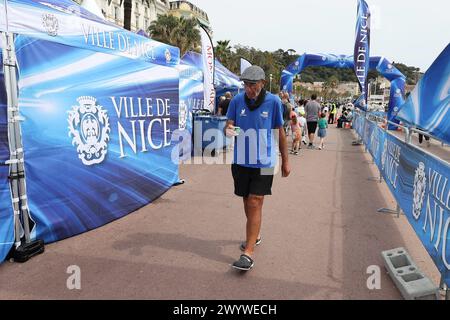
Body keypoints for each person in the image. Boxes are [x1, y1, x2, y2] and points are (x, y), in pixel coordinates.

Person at [224, 65, 290, 271]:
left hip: (265, 162)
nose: (249, 89)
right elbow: (229, 125)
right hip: (241, 161)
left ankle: (248, 253)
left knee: (255, 201)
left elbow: (279, 132)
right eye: (246, 85)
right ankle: (255, 235)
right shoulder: (236, 101)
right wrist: (229, 130)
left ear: (262, 83)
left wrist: (286, 160)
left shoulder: (274, 101)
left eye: (253, 85)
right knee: (247, 201)